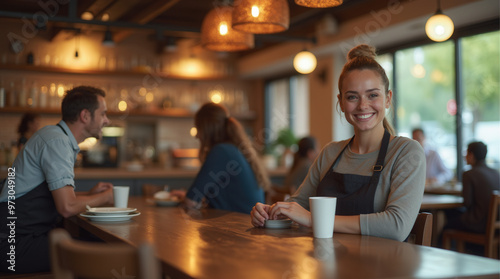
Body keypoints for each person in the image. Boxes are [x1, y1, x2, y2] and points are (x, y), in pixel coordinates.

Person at [250, 44, 426, 241]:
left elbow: (396, 226)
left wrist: (314, 219)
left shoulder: (406, 152)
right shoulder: (330, 153)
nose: (363, 105)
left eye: (373, 95)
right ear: (341, 102)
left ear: (388, 98)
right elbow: (297, 208)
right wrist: (270, 212)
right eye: (352, 97)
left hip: (379, 268)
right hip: (325, 264)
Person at [0, 86, 114, 273]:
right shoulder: (57, 142)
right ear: (85, 116)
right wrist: (107, 197)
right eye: (103, 114)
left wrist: (87, 194)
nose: (107, 120)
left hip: (20, 238)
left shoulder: (54, 136)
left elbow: (52, 196)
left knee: (98, 245)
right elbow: (67, 207)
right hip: (12, 246)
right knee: (105, 255)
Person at [172, 102, 270, 214]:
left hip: (238, 226)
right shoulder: (232, 149)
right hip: (248, 224)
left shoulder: (221, 151)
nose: (196, 135)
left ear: (207, 129)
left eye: (198, 128)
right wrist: (187, 196)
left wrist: (188, 198)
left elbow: (191, 202)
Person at [443, 141, 500, 233]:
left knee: (447, 226)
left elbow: (467, 203)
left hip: (478, 223)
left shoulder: (469, 174)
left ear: (471, 155)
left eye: (466, 153)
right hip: (495, 224)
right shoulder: (496, 173)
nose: (465, 157)